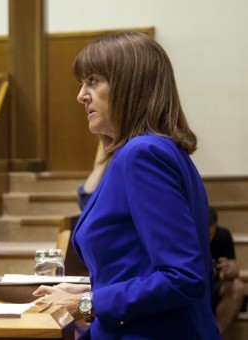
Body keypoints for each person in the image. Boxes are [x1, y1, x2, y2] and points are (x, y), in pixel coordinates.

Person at [32, 32, 220, 339]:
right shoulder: (146, 151)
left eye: (93, 80)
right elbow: (139, 266)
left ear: (129, 84)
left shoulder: (143, 154)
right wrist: (88, 287)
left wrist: (86, 302)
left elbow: (183, 277)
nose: (81, 95)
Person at [209, 206, 245, 335]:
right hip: (192, 286)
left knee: (238, 287)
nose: (208, 239)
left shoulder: (223, 235)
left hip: (214, 287)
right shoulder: (188, 237)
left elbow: (234, 269)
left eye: (211, 234)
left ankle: (215, 336)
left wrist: (230, 269)